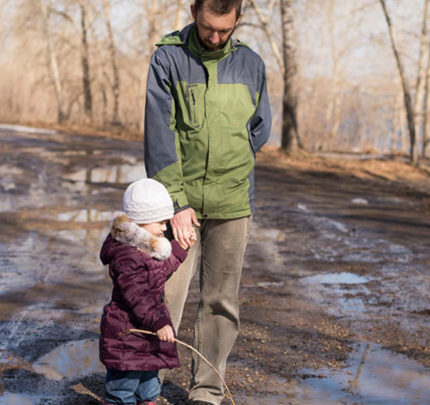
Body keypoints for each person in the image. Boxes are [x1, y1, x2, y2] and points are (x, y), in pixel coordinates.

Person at [143, 0, 271, 403]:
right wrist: (177, 203)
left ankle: (207, 391)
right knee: (164, 295)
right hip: (177, 206)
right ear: (195, 11)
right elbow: (159, 137)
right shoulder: (168, 58)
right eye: (207, 28)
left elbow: (260, 128)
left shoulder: (251, 64)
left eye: (224, 31)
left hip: (232, 203)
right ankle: (148, 384)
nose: (214, 37)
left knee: (220, 301)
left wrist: (233, 162)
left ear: (238, 19)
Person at [98, 178, 193, 405]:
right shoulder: (127, 255)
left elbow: (162, 269)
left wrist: (180, 248)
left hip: (146, 334)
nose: (164, 227)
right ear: (141, 222)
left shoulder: (148, 247)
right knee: (123, 387)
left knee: (149, 385)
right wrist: (159, 323)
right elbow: (137, 296)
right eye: (160, 222)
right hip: (127, 334)